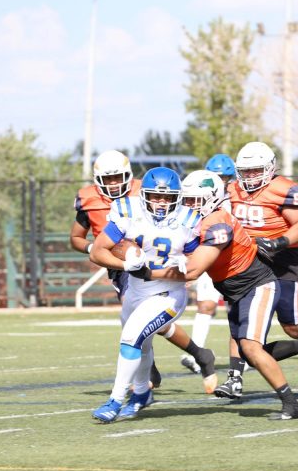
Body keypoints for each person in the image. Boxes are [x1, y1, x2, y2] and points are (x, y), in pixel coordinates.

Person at [178, 169, 298, 419]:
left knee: (251, 347)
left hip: (256, 285)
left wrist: (149, 272)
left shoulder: (217, 222)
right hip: (234, 289)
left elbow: (193, 270)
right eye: (187, 200)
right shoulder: (197, 221)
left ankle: (292, 405)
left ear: (212, 198)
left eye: (196, 200)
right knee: (246, 348)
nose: (190, 206)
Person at [88, 167, 217, 423]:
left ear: (177, 197)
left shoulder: (189, 219)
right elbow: (97, 251)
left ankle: (116, 400)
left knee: (131, 336)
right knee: (142, 343)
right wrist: (125, 264)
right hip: (135, 290)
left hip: (168, 294)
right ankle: (142, 393)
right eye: (156, 196)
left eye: (167, 197)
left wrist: (182, 265)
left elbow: (195, 264)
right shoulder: (128, 212)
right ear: (144, 195)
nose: (161, 202)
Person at [217, 141, 298, 399]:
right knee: (239, 322)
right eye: (245, 171)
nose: (250, 176)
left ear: (270, 168)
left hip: (283, 262)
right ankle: (234, 378)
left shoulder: (283, 189)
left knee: (293, 328)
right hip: (250, 263)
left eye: (256, 170)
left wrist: (278, 242)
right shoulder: (232, 190)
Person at [70, 150, 197, 388]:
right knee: (136, 318)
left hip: (155, 259)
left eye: (118, 177)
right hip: (119, 263)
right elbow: (76, 238)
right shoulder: (88, 199)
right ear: (98, 180)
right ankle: (157, 368)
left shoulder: (148, 190)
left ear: (128, 176)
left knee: (146, 319)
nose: (113, 183)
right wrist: (96, 249)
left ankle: (191, 355)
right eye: (108, 179)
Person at [180, 153, 236, 374]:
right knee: (206, 305)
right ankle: (197, 354)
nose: (219, 181)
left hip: (232, 260)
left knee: (238, 312)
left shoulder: (237, 198)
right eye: (215, 176)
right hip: (206, 255)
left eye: (224, 177)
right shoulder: (195, 197)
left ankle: (242, 356)